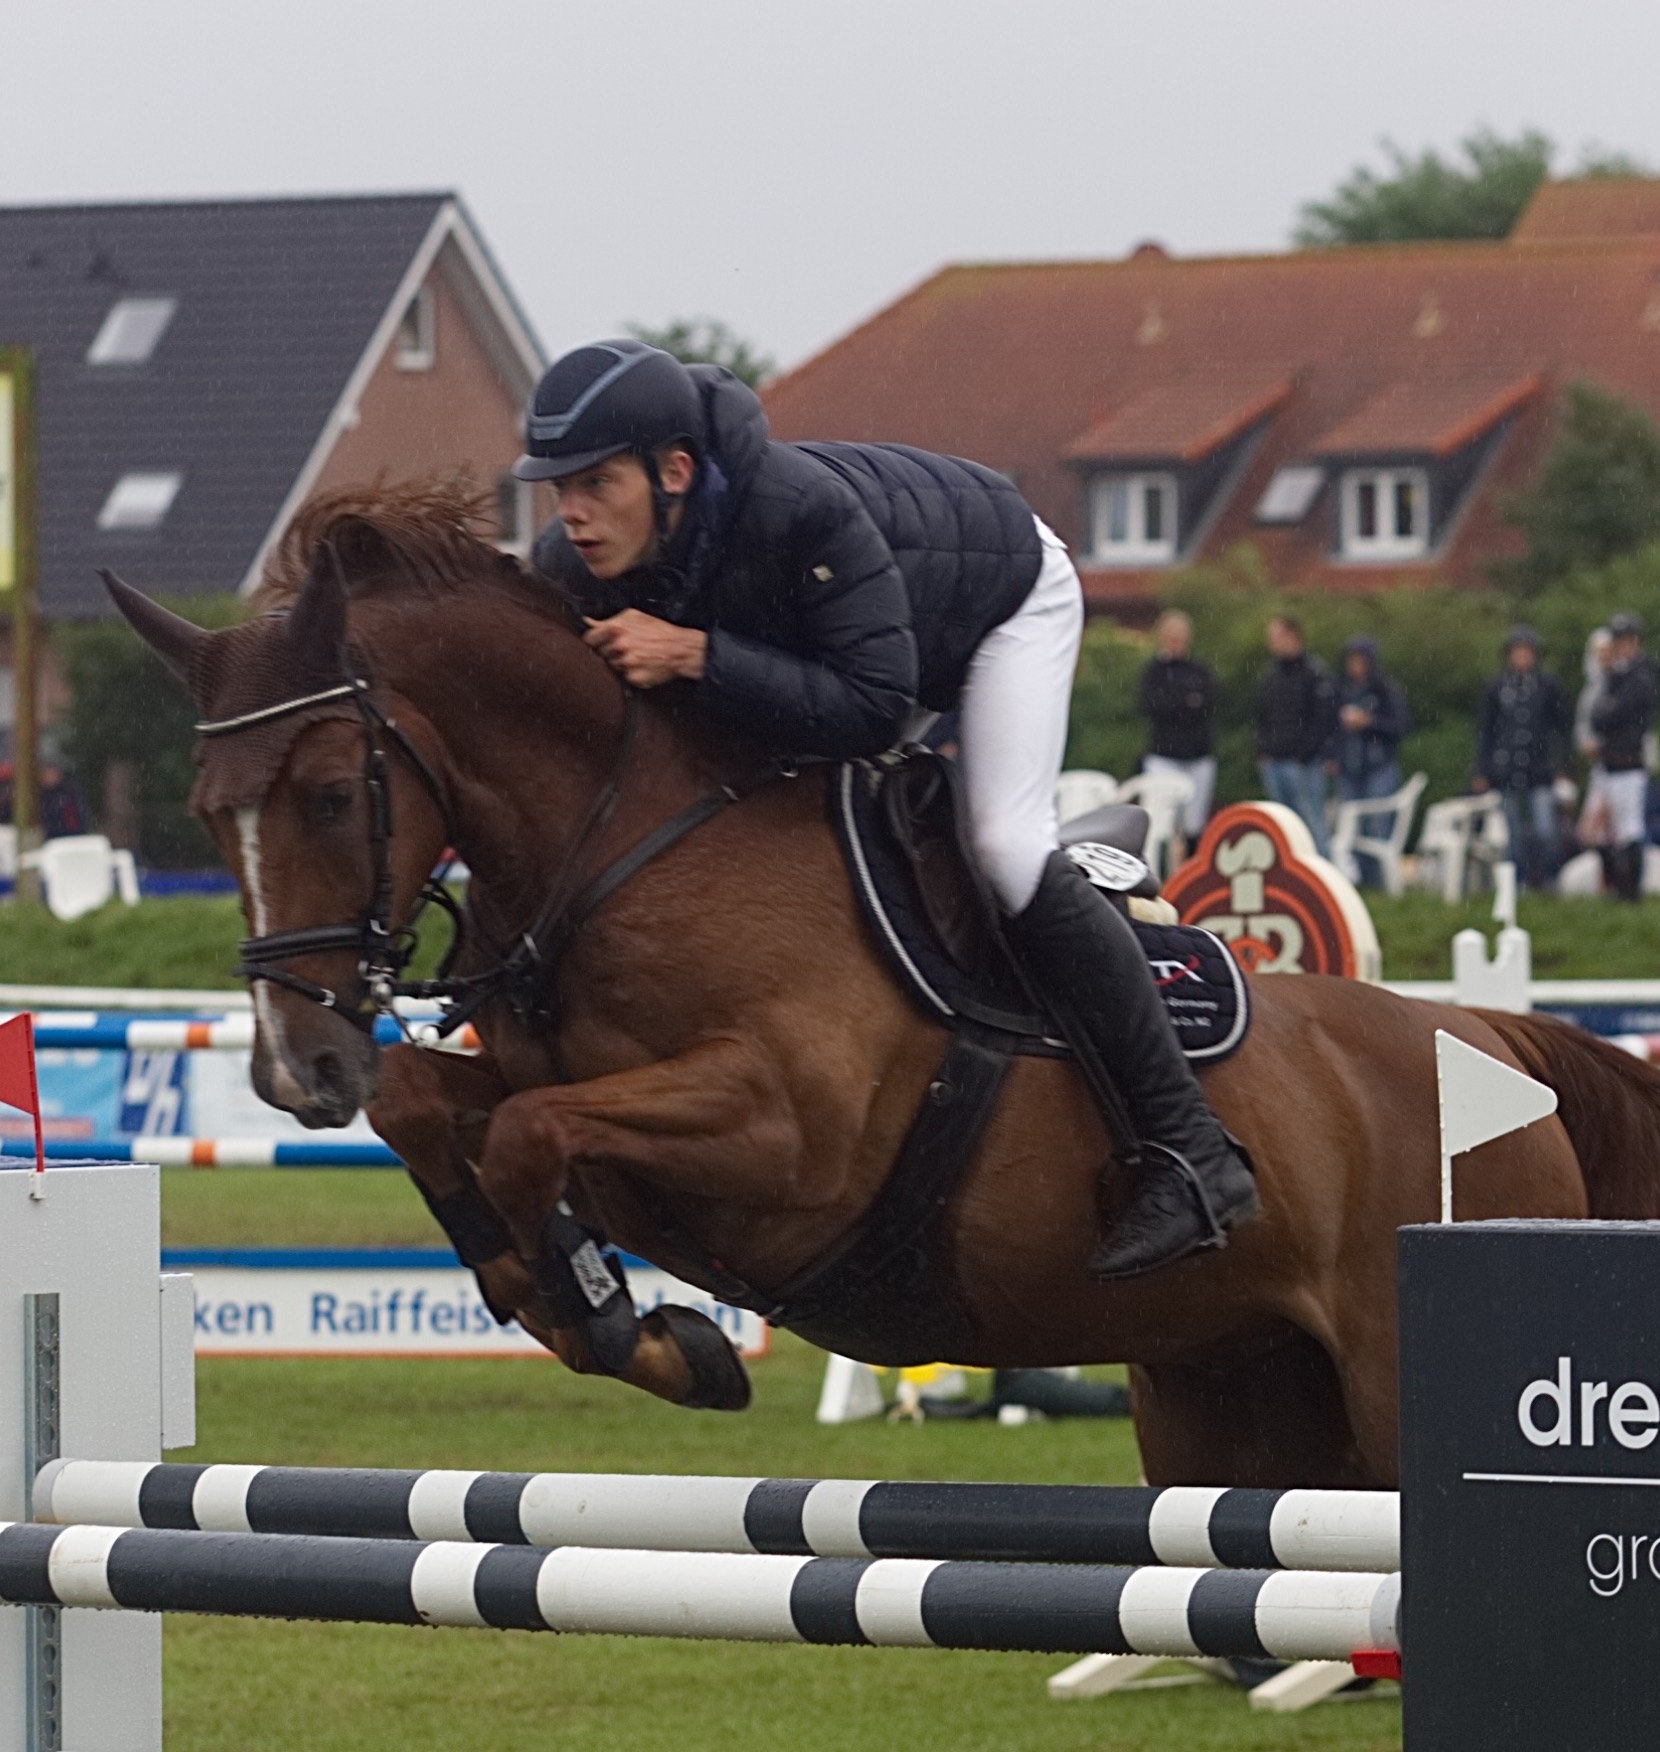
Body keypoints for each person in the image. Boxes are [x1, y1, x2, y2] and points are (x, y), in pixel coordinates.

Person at [520, 337, 1256, 1276]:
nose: (572, 515)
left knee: (1004, 847)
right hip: (874, 632)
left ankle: (1192, 1152)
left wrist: (696, 654)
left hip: (1000, 601)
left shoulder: (797, 514)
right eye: (558, 490)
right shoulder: (573, 561)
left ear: (673, 471)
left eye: (595, 485)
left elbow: (873, 706)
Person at [1469, 624, 1569, 888]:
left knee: (1545, 829)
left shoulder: (1547, 686)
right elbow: (1486, 731)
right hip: (1506, 769)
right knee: (1512, 831)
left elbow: (1562, 729)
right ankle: (1519, 880)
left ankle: (1548, 878)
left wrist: (1562, 766)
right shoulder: (1497, 687)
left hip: (1540, 769)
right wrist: (1481, 769)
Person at [1580, 612, 1660, 900]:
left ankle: (1631, 891)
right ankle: (1615, 884)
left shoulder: (1641, 674)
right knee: (1599, 830)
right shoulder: (1616, 674)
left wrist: (1607, 714)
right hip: (1609, 762)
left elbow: (1612, 715)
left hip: (1628, 762)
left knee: (1629, 828)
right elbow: (1599, 714)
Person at [1325, 636, 1409, 886]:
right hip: (1348, 769)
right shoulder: (1341, 690)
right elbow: (1330, 728)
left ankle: (1379, 882)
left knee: (1376, 827)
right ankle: (1360, 882)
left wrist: (1369, 722)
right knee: (1350, 829)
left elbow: (1400, 726)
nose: (1355, 666)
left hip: (1378, 768)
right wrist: (1332, 756)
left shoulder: (1385, 690)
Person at [1135, 610, 1221, 847]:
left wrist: (1181, 705)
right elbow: (1155, 707)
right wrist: (1186, 703)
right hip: (1165, 755)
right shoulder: (1154, 673)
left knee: (1194, 824)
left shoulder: (1199, 671)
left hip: (1198, 755)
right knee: (1162, 821)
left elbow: (1208, 705)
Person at [1250, 613, 1337, 843]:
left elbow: (1323, 720)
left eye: (1276, 636)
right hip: (1274, 761)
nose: (1271, 643)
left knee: (1312, 824)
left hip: (1304, 765)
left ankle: (1320, 875)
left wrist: (1303, 754)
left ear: (1292, 636)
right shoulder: (1271, 675)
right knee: (1282, 829)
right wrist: (1263, 750)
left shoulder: (1314, 673)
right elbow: (1262, 715)